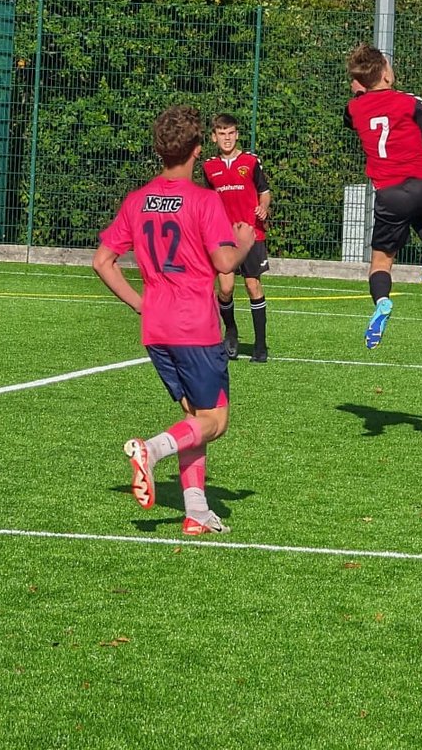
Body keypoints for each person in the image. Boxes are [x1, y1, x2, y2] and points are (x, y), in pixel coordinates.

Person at [93, 105, 256, 535]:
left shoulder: (137, 200)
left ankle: (196, 512)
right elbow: (224, 263)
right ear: (198, 151)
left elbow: (103, 261)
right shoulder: (204, 200)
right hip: (195, 327)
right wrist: (243, 241)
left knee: (194, 418)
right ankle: (151, 449)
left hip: (156, 328)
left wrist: (139, 303)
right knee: (215, 421)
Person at [344, 43, 422, 349]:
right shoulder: (409, 102)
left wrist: (361, 92)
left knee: (380, 261)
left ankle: (382, 303)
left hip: (389, 192)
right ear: (387, 73)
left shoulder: (354, 108)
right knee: (421, 211)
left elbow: (351, 119)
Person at [202, 113, 272, 363]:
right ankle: (230, 330)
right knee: (226, 288)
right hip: (223, 236)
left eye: (231, 133)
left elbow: (264, 192)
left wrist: (263, 207)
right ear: (214, 137)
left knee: (253, 285)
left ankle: (260, 346)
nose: (227, 138)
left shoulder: (251, 161)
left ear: (237, 134)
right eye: (222, 133)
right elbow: (207, 200)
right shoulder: (209, 167)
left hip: (252, 233)